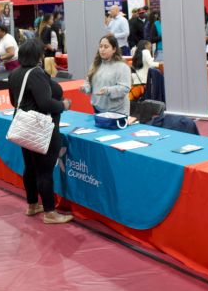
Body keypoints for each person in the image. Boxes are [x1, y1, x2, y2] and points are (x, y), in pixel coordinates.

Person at [8, 40, 73, 224]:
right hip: (41, 128)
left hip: (25, 126)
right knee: (44, 171)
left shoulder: (14, 73)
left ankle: (32, 204)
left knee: (30, 167)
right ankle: (50, 212)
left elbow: (14, 101)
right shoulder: (36, 73)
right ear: (38, 55)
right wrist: (63, 105)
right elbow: (45, 103)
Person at [79, 35, 131, 115]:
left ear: (114, 49)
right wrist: (86, 88)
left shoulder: (122, 67)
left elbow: (125, 88)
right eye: (100, 46)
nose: (102, 49)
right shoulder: (95, 64)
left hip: (117, 112)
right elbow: (88, 81)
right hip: (97, 109)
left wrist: (108, 91)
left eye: (106, 47)